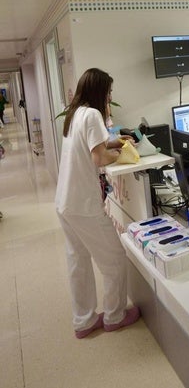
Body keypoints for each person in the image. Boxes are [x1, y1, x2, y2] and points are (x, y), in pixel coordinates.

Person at [55, 68, 140, 339]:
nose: (110, 96)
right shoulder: (92, 114)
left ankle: (84, 321)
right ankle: (115, 316)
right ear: (100, 91)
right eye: (109, 92)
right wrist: (122, 153)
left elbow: (90, 147)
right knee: (114, 259)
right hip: (83, 204)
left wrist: (115, 141)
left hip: (65, 201)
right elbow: (99, 158)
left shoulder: (76, 113)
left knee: (77, 262)